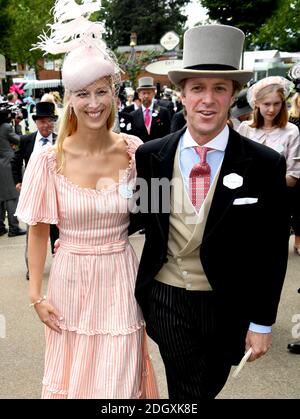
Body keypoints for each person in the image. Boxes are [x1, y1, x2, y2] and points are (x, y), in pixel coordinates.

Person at [134, 24, 290, 399]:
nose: (207, 99)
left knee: (207, 384)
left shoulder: (264, 163)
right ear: (182, 95)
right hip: (166, 296)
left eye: (219, 88)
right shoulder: (151, 156)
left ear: (232, 95)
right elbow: (143, 217)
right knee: (186, 385)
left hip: (228, 304)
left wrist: (262, 322)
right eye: (197, 88)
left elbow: (271, 251)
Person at [15, 0, 158, 399]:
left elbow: (159, 218)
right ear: (69, 99)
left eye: (101, 91)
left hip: (120, 277)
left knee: (119, 378)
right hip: (71, 280)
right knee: (76, 378)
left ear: (113, 92)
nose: (93, 103)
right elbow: (39, 230)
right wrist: (35, 297)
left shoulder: (135, 151)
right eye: (83, 94)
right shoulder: (48, 159)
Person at [237, 77, 300, 253]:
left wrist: (260, 182)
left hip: (276, 204)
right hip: (246, 202)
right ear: (256, 103)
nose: (272, 109)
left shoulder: (291, 131)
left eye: (277, 104)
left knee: (271, 252)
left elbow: (293, 176)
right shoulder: (245, 128)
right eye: (266, 104)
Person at [11, 102, 59, 280]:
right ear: (36, 123)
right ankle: (32, 267)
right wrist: (18, 181)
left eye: (50, 121)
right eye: (42, 121)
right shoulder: (26, 140)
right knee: (33, 230)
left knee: (56, 230)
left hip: (54, 193)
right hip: (34, 194)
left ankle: (59, 265)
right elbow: (15, 162)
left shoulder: (59, 140)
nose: (46, 125)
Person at [0, 105, 26, 237]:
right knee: (11, 197)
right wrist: (18, 126)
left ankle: (0, 227)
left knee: (1, 198)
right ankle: (14, 228)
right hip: (6, 165)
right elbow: (19, 140)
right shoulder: (5, 127)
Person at [131, 77, 171, 142]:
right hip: (141, 150)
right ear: (139, 95)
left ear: (153, 94)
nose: (146, 96)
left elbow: (168, 134)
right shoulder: (133, 115)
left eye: (149, 93)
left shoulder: (163, 112)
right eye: (144, 93)